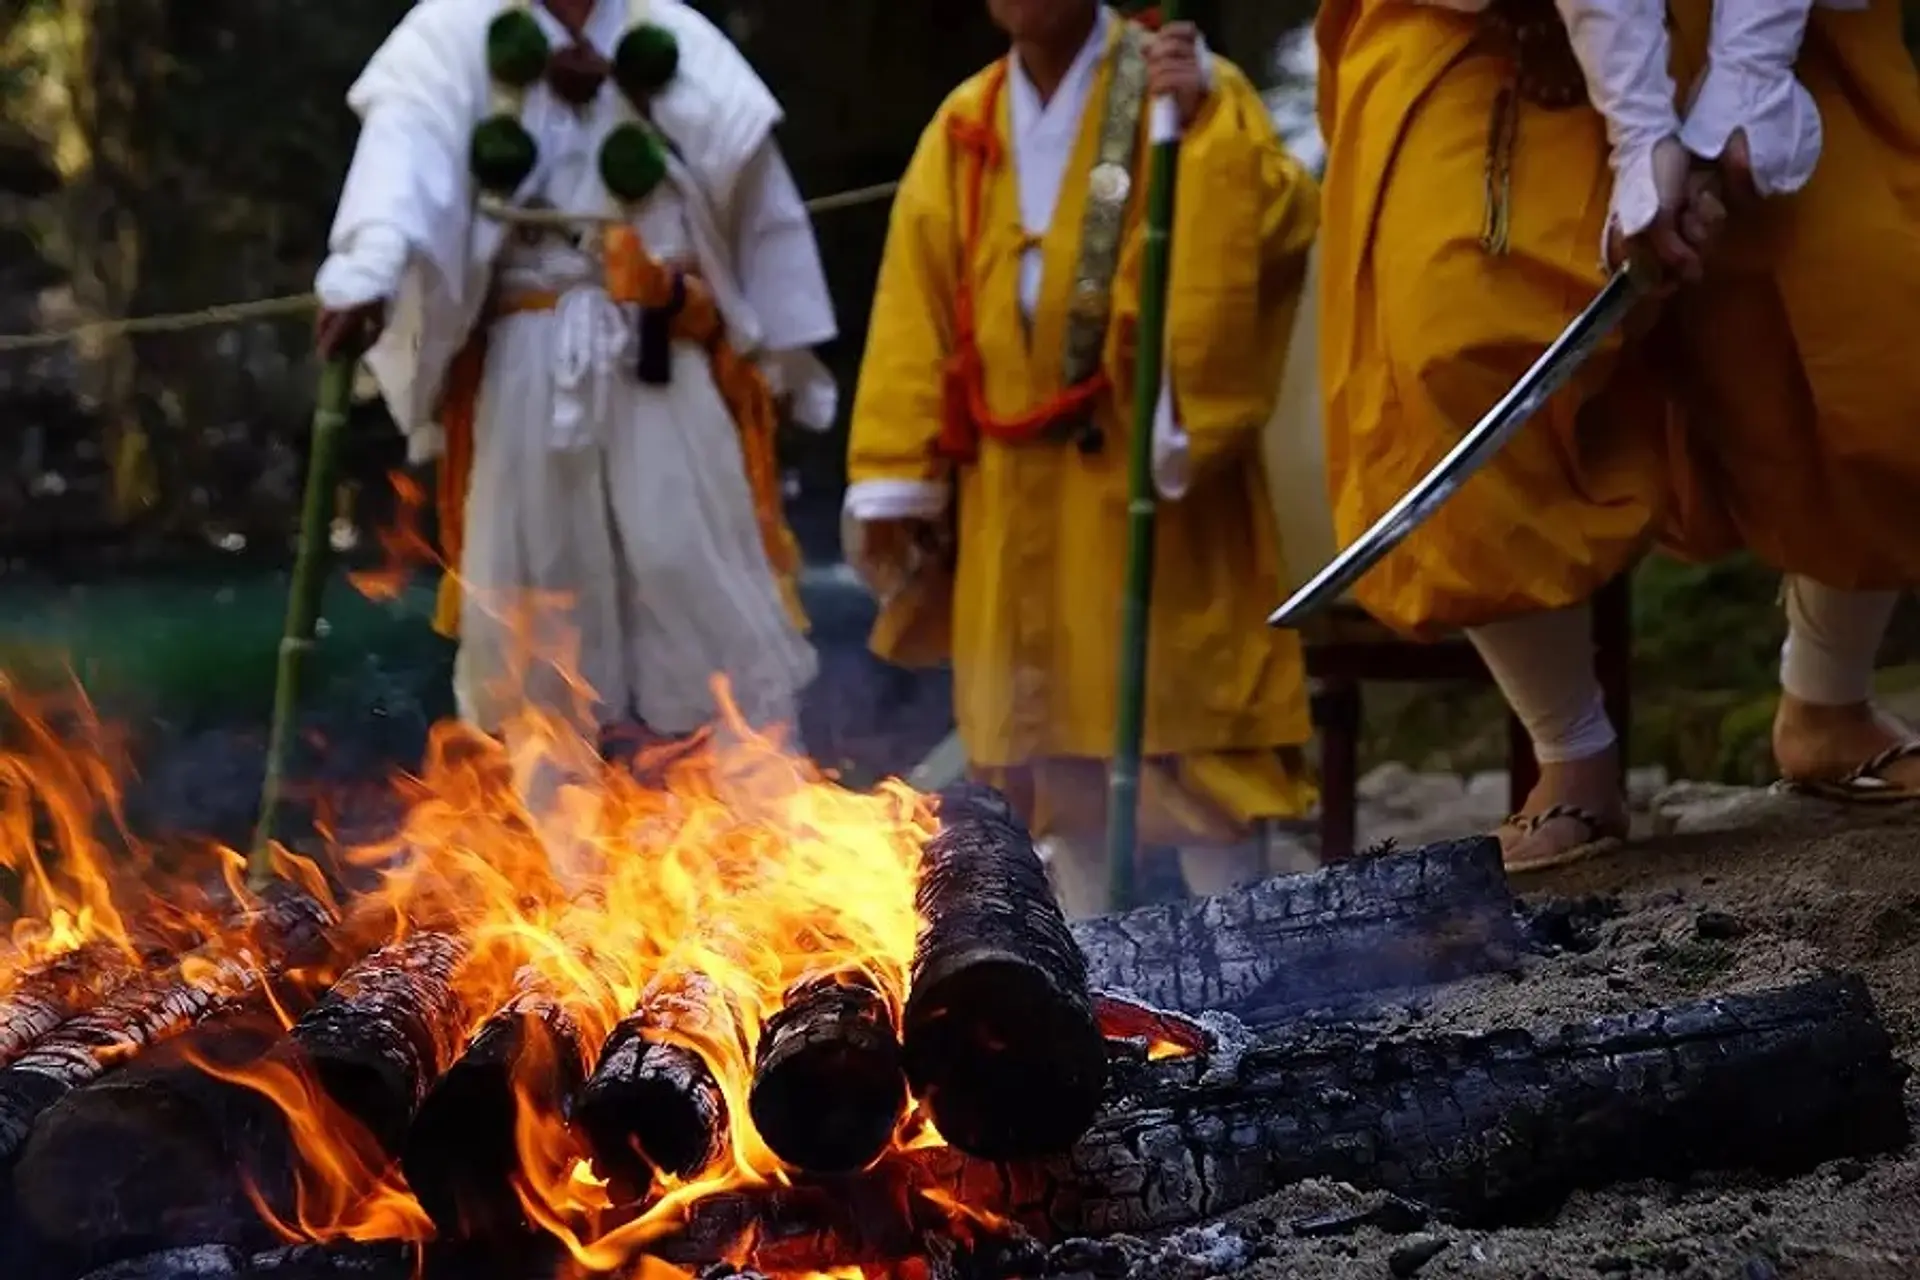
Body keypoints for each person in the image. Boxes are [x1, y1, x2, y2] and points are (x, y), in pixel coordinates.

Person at [1315, 0, 1920, 871]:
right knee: (1452, 338)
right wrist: (1642, 136)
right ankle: (1573, 752)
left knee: (1880, 321)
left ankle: (1828, 703)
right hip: (1490, 28)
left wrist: (1743, 91)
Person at [842, 0, 1322, 917]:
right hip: (1010, 492)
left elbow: (1273, 228)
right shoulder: (966, 120)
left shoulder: (1185, 85)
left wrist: (1207, 128)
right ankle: (1088, 964)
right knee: (1046, 758)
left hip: (1143, 476)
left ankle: (1245, 946)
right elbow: (916, 305)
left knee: (1196, 737)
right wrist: (896, 478)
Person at [313, 0, 837, 745]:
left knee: (695, 589)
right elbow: (403, 159)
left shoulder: (679, 36)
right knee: (536, 619)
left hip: (663, 359)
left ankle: (733, 828)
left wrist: (788, 363)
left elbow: (760, 205)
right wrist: (369, 268)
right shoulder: (450, 32)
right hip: (526, 363)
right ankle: (556, 844)